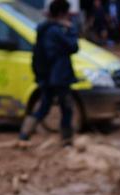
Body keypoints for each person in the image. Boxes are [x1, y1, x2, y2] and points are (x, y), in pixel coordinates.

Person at [18, 0, 78, 147]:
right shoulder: (56, 31)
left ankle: (24, 134)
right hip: (60, 77)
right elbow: (73, 46)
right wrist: (71, 29)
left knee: (44, 106)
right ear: (62, 14)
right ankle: (66, 140)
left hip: (47, 76)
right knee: (66, 108)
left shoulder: (44, 29)